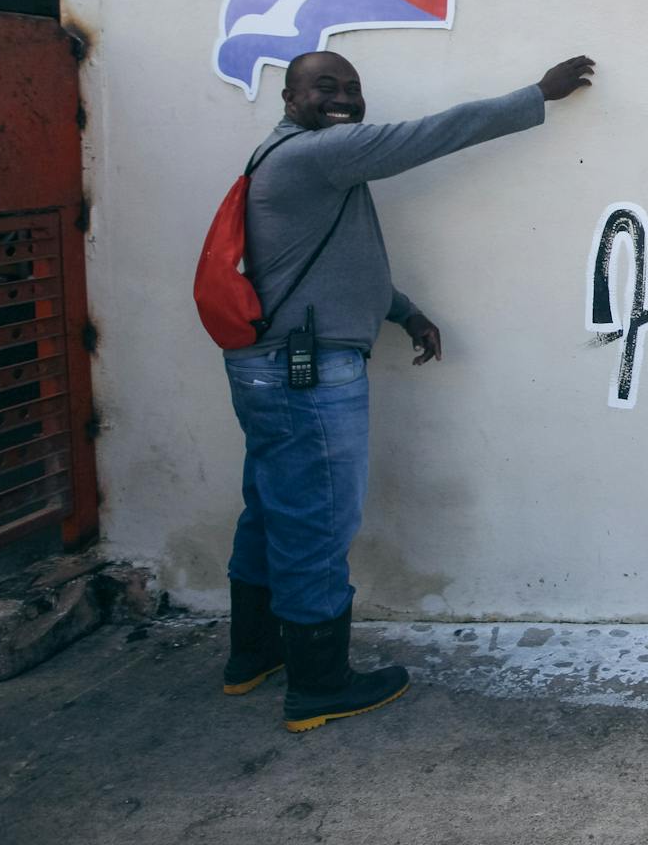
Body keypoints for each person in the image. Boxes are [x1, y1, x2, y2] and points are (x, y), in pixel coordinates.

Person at [220, 50, 595, 732]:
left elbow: (327, 264)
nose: (341, 97)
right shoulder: (316, 154)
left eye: (352, 87)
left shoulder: (287, 158)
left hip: (271, 366)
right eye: (323, 86)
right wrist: (535, 94)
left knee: (272, 510)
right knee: (315, 522)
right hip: (305, 372)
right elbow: (431, 134)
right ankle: (318, 684)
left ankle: (252, 655)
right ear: (289, 96)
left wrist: (403, 311)